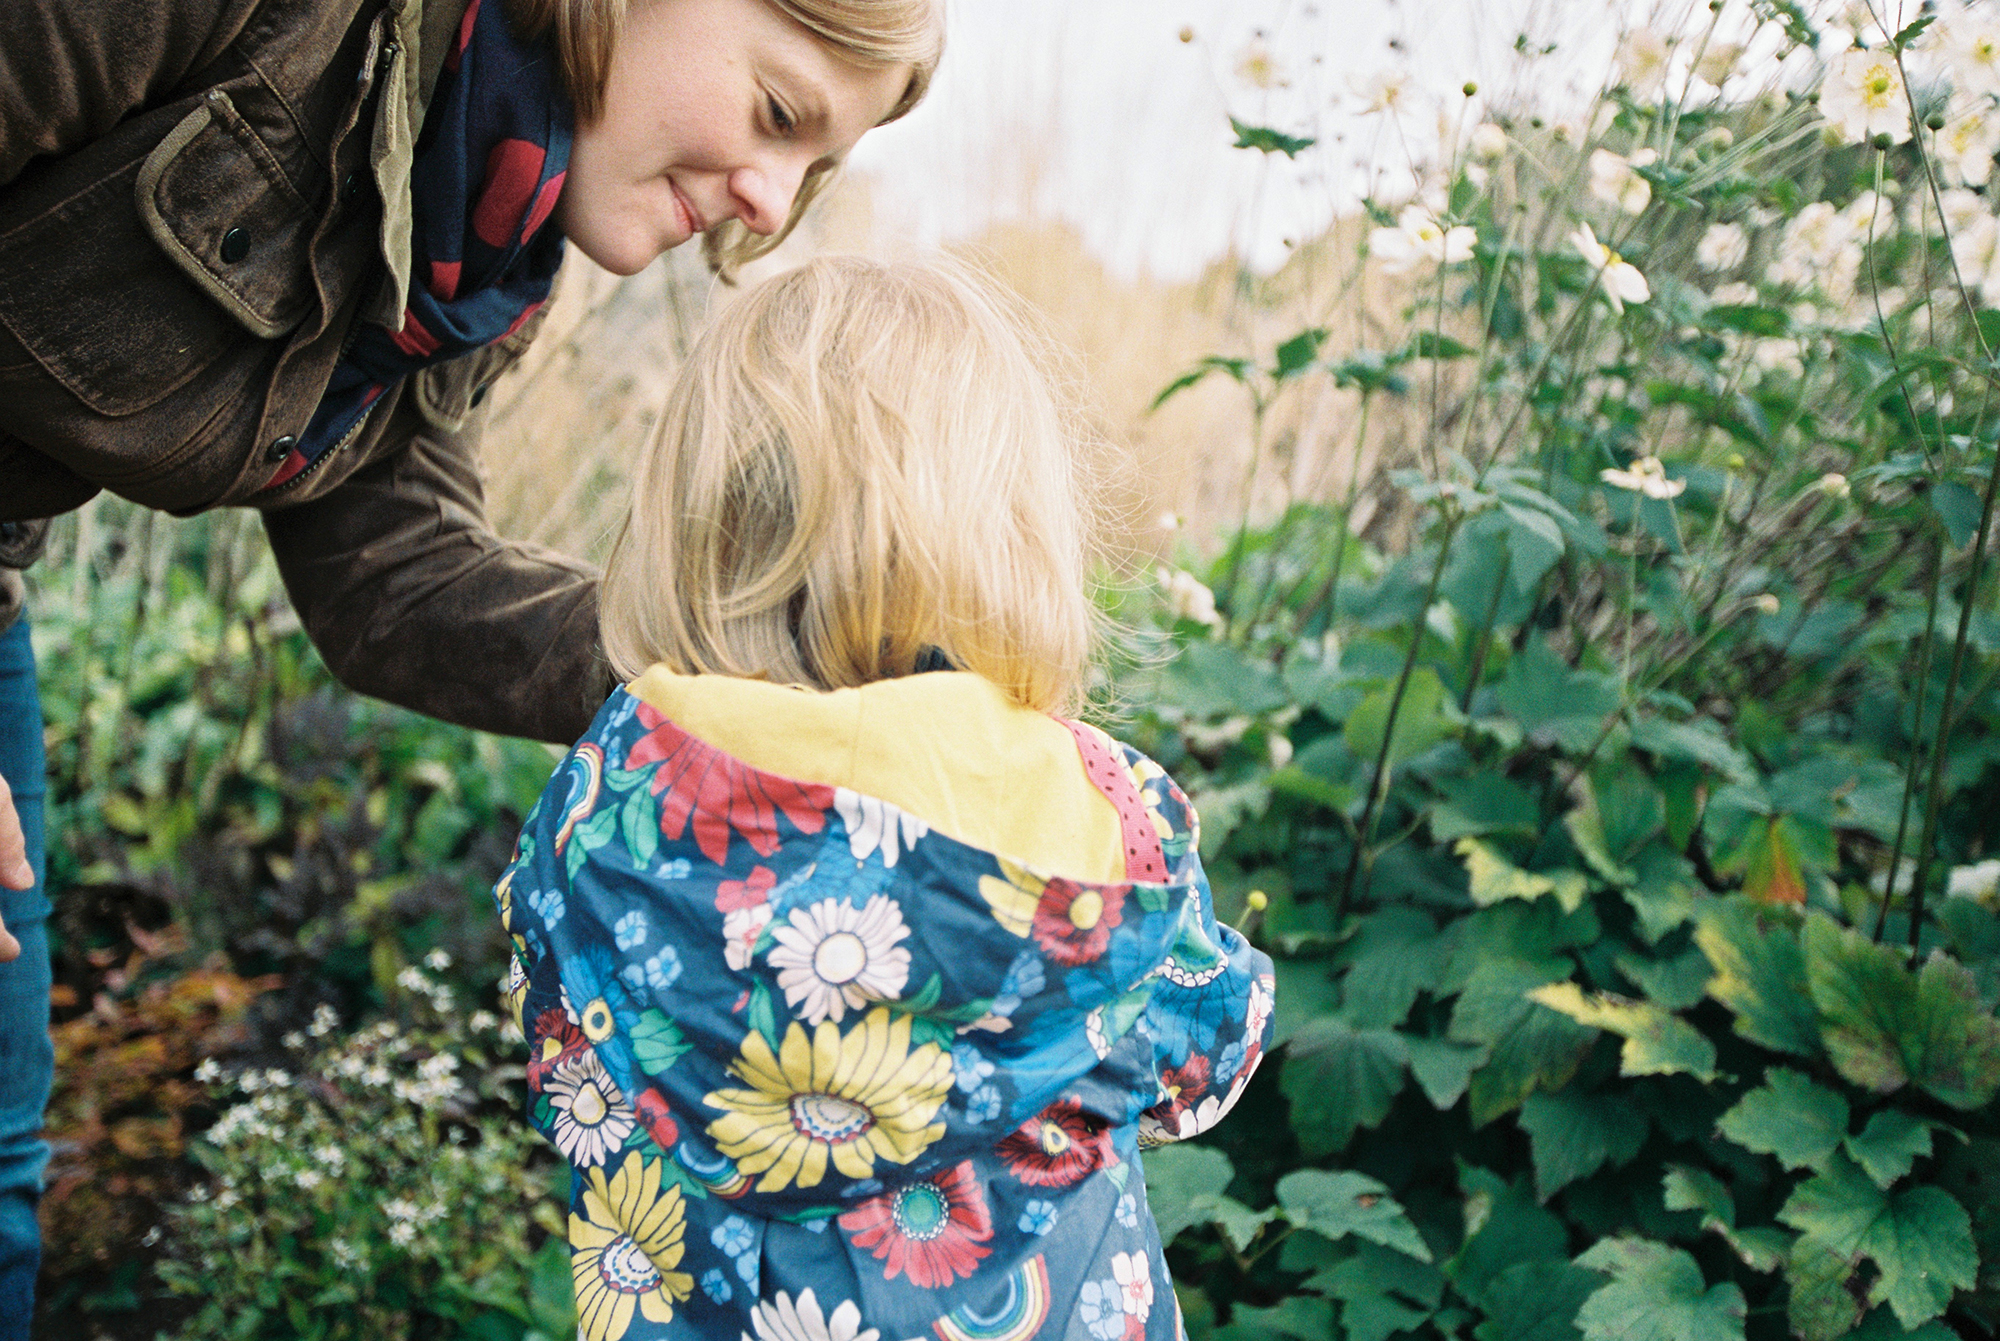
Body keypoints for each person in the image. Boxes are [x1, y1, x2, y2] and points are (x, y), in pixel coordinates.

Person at [0, 0, 943, 1327]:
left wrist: (765, 679)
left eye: (816, 169)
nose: (768, 202)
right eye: (780, 114)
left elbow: (395, 576)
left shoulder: (477, 249)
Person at [492, 256, 1277, 1340]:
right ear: (1009, 533)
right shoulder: (1100, 809)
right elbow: (1201, 1060)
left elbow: (559, 1033)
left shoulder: (609, 796)